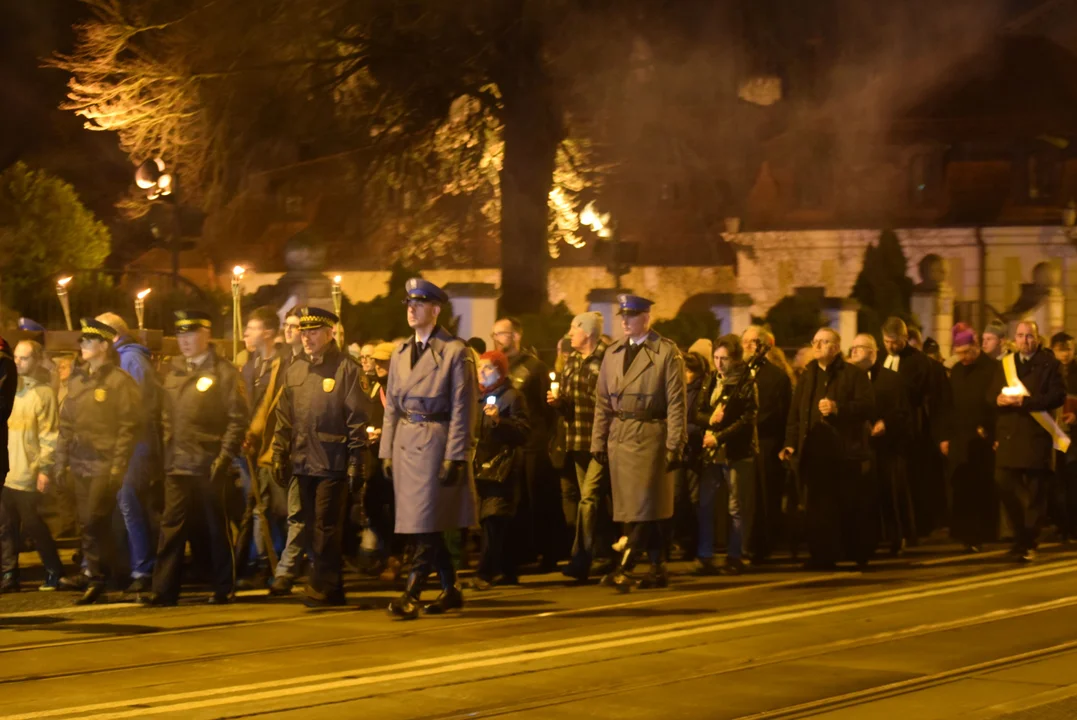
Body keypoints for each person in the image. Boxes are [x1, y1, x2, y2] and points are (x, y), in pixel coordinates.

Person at [381, 279, 477, 619]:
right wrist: (386, 451)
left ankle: (412, 593)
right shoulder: (400, 352)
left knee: (425, 522)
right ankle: (451, 590)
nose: (411, 309)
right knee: (425, 523)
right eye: (409, 303)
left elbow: (463, 407)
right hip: (407, 442)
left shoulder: (455, 351)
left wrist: (456, 454)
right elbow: (391, 405)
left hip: (436, 441)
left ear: (435, 310)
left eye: (419, 304)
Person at [140, 311, 247, 606]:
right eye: (181, 336)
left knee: (216, 527)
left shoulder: (225, 373)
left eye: (191, 335)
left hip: (209, 463)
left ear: (206, 335)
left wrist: (224, 458)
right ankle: (163, 590)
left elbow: (237, 420)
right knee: (171, 527)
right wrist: (166, 446)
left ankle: (223, 586)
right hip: (177, 462)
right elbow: (163, 414)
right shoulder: (172, 371)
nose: (185, 342)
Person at [272, 307, 369, 607]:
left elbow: (357, 419)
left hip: (332, 460)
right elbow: (284, 416)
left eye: (313, 332)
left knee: (326, 526)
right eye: (303, 332)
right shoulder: (295, 369)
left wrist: (356, 460)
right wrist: (279, 451)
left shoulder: (346, 369)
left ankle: (322, 585)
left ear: (330, 334)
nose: (307, 338)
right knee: (313, 523)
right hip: (303, 460)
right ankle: (333, 585)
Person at [591, 294, 687, 592]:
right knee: (637, 507)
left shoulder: (666, 353)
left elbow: (676, 403)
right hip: (621, 435)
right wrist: (599, 440)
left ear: (647, 317)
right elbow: (602, 402)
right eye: (622, 315)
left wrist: (675, 443)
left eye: (631, 316)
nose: (624, 321)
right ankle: (657, 569)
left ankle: (626, 567)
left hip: (650, 435)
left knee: (645, 505)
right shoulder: (613, 352)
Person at [55, 319, 141, 604]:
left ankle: (98, 576)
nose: (82, 346)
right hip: (80, 463)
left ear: (104, 345)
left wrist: (118, 464)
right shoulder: (78, 380)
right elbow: (66, 423)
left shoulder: (119, 381)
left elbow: (129, 426)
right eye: (81, 341)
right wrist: (60, 461)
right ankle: (96, 573)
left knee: (94, 519)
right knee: (87, 522)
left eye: (88, 341)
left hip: (105, 463)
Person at [781, 327, 874, 569]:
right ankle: (822, 554)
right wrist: (790, 443)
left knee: (846, 504)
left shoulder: (852, 375)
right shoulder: (807, 375)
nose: (817, 346)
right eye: (815, 342)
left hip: (843, 453)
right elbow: (795, 413)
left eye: (823, 342)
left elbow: (866, 406)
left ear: (835, 347)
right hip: (813, 452)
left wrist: (837, 408)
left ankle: (854, 551)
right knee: (816, 507)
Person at [989, 320, 1067, 562]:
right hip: (1010, 434)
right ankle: (1019, 536)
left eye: (1029, 336)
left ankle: (1029, 542)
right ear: (1015, 337)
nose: (1025, 340)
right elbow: (990, 392)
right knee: (1003, 482)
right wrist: (998, 399)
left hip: (1036, 436)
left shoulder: (1050, 364)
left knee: (1035, 494)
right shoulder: (1006, 364)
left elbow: (1057, 396)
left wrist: (1026, 402)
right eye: (1021, 336)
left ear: (1038, 338)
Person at [96, 312, 162, 594]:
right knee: (122, 506)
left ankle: (143, 568)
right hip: (123, 444)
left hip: (135, 445)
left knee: (129, 504)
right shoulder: (120, 359)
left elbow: (136, 407)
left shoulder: (131, 360)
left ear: (113, 336)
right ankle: (124, 567)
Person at [492, 316, 560, 571]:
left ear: (516, 336)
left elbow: (546, 409)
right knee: (514, 500)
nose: (497, 339)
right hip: (508, 441)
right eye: (494, 334)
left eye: (501, 333)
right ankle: (519, 552)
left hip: (532, 442)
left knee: (537, 497)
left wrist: (545, 439)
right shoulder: (497, 367)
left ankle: (548, 551)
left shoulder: (534, 367)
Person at [549, 312, 610, 582]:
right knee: (593, 501)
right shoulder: (572, 361)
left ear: (588, 332)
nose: (569, 332)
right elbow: (569, 400)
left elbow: (609, 401)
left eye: (574, 328)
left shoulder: (607, 359)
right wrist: (558, 401)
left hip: (599, 441)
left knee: (588, 500)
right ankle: (605, 553)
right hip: (576, 440)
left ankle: (581, 558)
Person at [1, 340, 64, 592]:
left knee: (33, 524)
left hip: (28, 471)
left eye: (24, 358)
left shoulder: (43, 394)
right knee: (5, 526)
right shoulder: (8, 392)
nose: (18, 363)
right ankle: (9, 574)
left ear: (37, 360)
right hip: (7, 471)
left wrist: (44, 469)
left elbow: (50, 435)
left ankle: (53, 569)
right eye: (15, 357)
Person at [694, 335, 758, 574]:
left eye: (724, 359)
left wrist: (718, 436)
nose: (719, 364)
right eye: (716, 358)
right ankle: (705, 554)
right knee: (706, 503)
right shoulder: (711, 379)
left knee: (735, 506)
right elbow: (698, 411)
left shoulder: (746, 382)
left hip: (735, 452)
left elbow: (747, 419)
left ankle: (735, 554)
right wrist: (710, 419)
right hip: (711, 453)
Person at [234, 307, 288, 588]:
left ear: (267, 332)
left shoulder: (285, 363)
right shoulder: (251, 364)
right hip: (250, 449)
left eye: (251, 328)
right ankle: (260, 562)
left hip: (273, 448)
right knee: (257, 507)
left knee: (277, 509)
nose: (246, 334)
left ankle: (280, 561)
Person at [880, 316, 944, 540]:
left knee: (913, 480)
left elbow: (921, 396)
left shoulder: (918, 362)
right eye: (886, 341)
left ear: (905, 338)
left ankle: (916, 527)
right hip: (886, 429)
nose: (890, 346)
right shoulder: (882, 358)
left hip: (911, 428)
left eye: (894, 342)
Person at [472, 350, 530, 589]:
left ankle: (485, 572)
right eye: (480, 368)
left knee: (494, 517)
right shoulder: (478, 397)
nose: (481, 372)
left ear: (500, 371)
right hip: (482, 466)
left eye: (488, 368)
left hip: (502, 467)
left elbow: (523, 432)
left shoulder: (512, 397)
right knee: (491, 519)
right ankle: (506, 570)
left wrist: (499, 422)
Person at [940, 324, 999, 552]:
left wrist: (993, 433)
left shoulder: (992, 369)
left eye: (967, 352)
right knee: (960, 487)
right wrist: (945, 437)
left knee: (980, 487)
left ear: (976, 347)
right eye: (959, 353)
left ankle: (980, 534)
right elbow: (947, 405)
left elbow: (994, 404)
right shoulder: (956, 371)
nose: (963, 358)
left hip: (982, 437)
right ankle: (963, 533)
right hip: (959, 437)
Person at [850, 333, 910, 558]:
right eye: (853, 347)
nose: (854, 351)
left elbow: (902, 411)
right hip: (859, 445)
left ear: (874, 352)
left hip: (886, 445)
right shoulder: (850, 377)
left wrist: (886, 422)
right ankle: (868, 539)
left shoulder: (891, 379)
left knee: (889, 492)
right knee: (865, 496)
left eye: (860, 347)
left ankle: (896, 536)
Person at [741, 325, 792, 560]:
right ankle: (743, 543)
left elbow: (781, 413)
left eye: (753, 342)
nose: (748, 346)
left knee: (765, 497)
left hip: (766, 442)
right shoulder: (738, 373)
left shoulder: (776, 377)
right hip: (741, 444)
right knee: (744, 498)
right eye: (745, 342)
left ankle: (763, 545)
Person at [1051, 332, 1077, 540]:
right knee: (1057, 481)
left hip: (1073, 436)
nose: (1065, 354)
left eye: (1068, 348)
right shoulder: (1048, 371)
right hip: (1053, 433)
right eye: (1061, 349)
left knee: (1072, 480)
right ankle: (1062, 524)